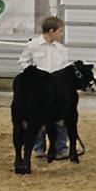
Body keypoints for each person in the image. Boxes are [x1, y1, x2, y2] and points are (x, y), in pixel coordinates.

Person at [19, 15, 70, 158]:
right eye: (60, 31)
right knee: (37, 118)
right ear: (51, 31)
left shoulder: (61, 50)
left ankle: (60, 147)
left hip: (56, 88)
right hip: (38, 89)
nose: (62, 34)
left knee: (60, 118)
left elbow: (64, 69)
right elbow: (23, 62)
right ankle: (38, 147)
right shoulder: (32, 45)